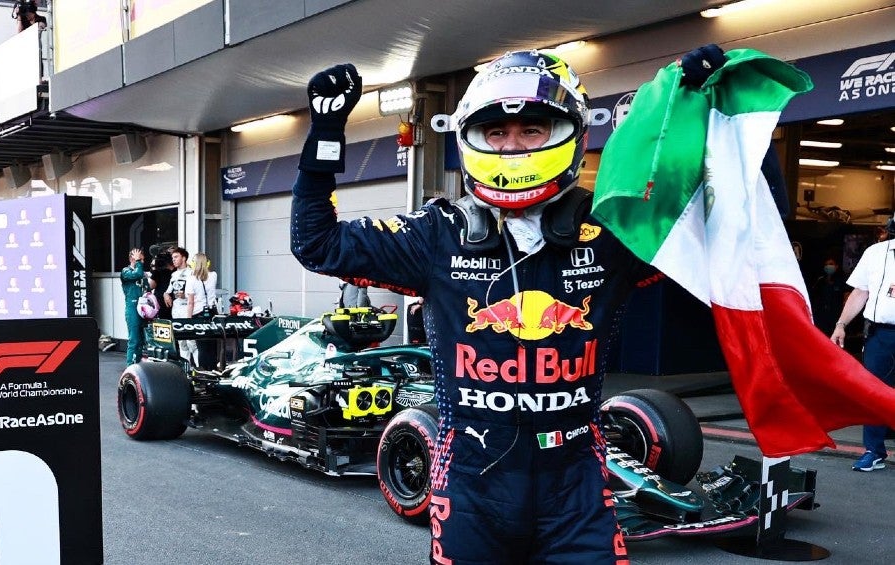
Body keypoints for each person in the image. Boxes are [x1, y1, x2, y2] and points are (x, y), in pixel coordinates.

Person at [289, 47, 717, 563]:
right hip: (470, 490)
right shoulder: (437, 235)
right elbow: (317, 243)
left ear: (572, 134)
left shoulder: (611, 232)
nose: (512, 146)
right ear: (472, 140)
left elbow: (729, 232)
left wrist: (714, 115)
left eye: (531, 130)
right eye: (496, 133)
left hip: (577, 489)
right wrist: (325, 137)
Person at [831, 217, 895, 472]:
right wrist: (841, 324)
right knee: (874, 393)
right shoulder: (875, 253)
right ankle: (874, 451)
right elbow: (860, 292)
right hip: (880, 334)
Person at [186, 252, 219, 369]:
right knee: (212, 345)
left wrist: (188, 320)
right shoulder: (213, 275)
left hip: (198, 313)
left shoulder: (191, 279)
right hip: (212, 313)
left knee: (202, 346)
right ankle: (213, 369)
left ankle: (204, 371)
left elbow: (190, 302)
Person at [163, 246, 195, 361]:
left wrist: (185, 295)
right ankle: (185, 369)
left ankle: (197, 369)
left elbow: (198, 293)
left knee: (192, 342)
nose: (174, 260)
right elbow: (168, 290)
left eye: (176, 257)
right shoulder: (174, 275)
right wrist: (166, 295)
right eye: (173, 258)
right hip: (176, 310)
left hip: (188, 310)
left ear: (184, 258)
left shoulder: (192, 273)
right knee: (182, 342)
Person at [120, 248, 147, 365]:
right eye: (139, 260)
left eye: (142, 260)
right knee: (134, 339)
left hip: (144, 308)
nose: (142, 262)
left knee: (142, 340)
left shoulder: (143, 273)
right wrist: (138, 263)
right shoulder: (125, 271)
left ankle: (139, 365)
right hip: (132, 308)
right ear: (132, 259)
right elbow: (137, 273)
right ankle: (130, 366)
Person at [811, 257, 847, 336]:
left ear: (836, 266)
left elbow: (846, 296)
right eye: (826, 264)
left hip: (836, 316)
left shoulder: (841, 281)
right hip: (821, 317)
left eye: (831, 264)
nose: (828, 266)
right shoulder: (820, 281)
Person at [148, 247, 174, 320]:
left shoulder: (159, 271)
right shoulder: (176, 271)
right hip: (170, 303)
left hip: (163, 304)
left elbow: (150, 286)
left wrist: (154, 270)